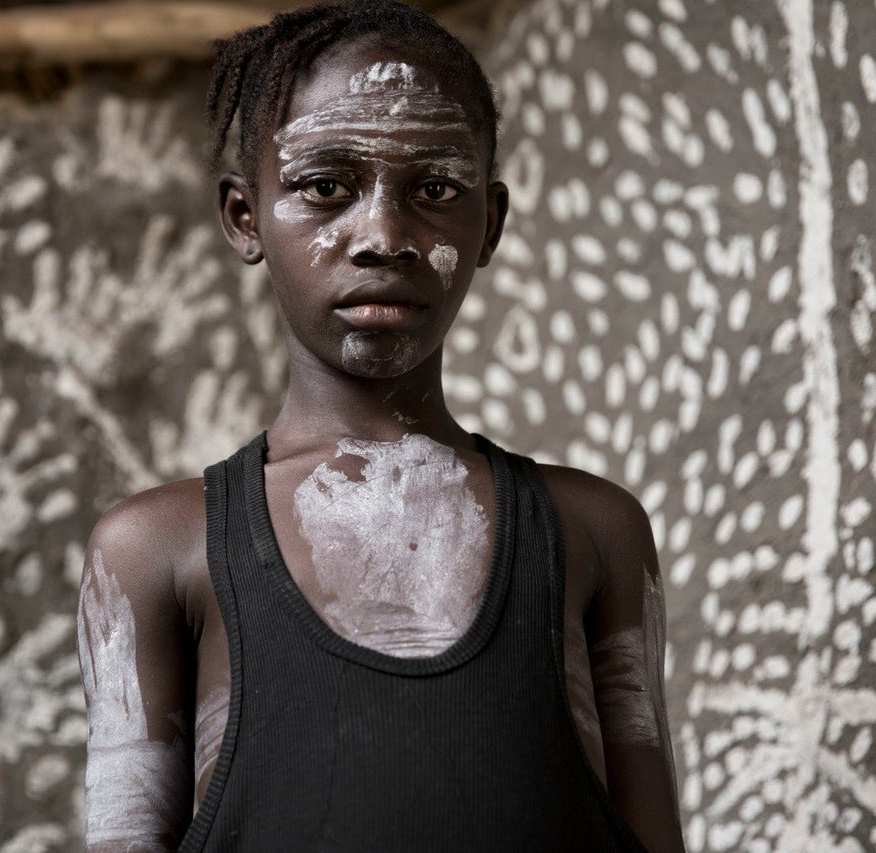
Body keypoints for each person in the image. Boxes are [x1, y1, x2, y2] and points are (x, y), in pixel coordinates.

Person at [77, 2, 684, 850]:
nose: (385, 235)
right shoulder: (156, 550)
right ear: (245, 219)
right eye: (326, 187)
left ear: (490, 225)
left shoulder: (596, 531)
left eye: (435, 190)